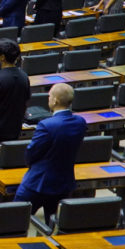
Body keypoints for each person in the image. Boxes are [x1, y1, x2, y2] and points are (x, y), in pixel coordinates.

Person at [14, 83, 86, 220]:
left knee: (16, 218)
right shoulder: (80, 122)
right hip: (64, 182)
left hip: (38, 182)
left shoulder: (46, 125)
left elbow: (31, 153)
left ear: (55, 101)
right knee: (52, 222)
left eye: (50, 96)